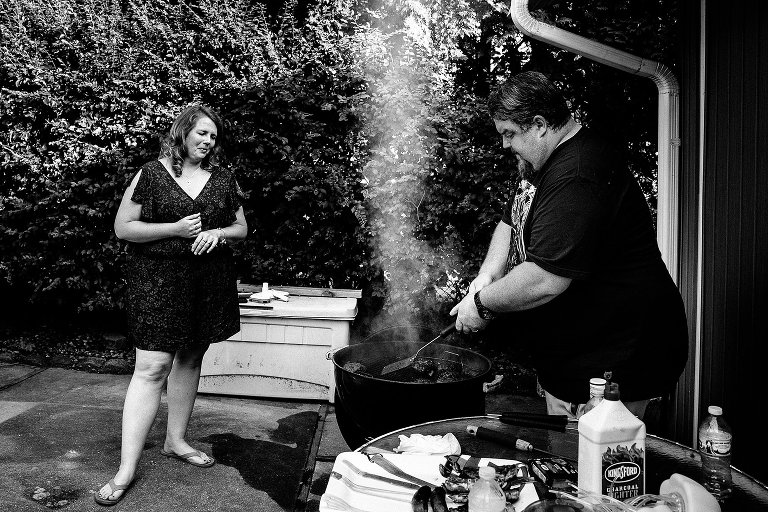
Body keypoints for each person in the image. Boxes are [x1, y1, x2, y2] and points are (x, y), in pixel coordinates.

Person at [450, 71, 688, 420]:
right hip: (574, 363)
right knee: (565, 467)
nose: (504, 145)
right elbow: (510, 220)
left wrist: (482, 305)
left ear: (540, 124)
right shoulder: (543, 165)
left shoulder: (577, 173)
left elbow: (545, 278)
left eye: (509, 134)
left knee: (602, 470)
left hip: (616, 367)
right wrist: (488, 274)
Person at [96, 104, 247, 506]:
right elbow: (123, 228)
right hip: (158, 284)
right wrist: (176, 229)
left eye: (213, 137)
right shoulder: (151, 173)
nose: (208, 142)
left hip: (207, 284)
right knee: (151, 368)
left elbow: (241, 227)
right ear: (182, 133)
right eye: (202, 134)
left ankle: (175, 441)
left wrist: (218, 233)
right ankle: (127, 468)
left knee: (191, 359)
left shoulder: (223, 178)